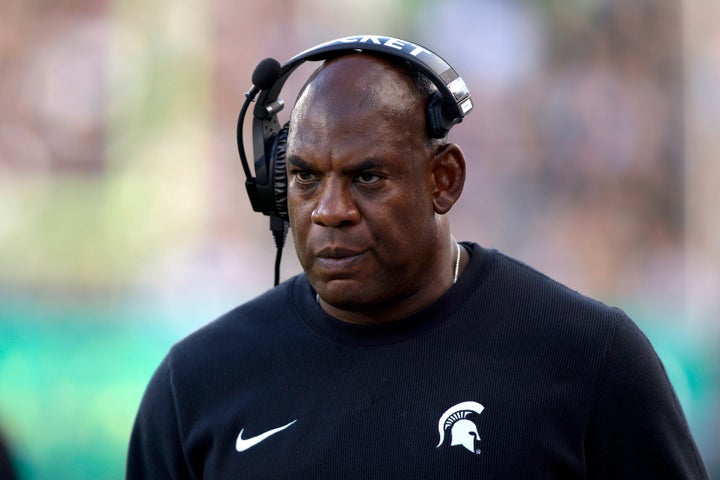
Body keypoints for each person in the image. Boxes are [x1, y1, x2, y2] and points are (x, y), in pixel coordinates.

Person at [126, 36, 709, 479]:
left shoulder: (592, 359)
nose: (331, 210)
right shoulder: (195, 386)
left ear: (444, 179)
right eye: (305, 178)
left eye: (368, 177)